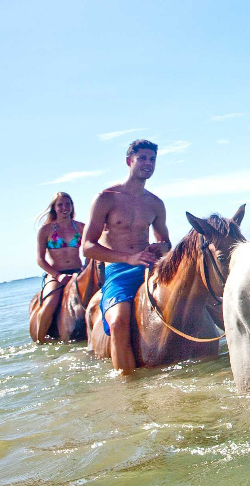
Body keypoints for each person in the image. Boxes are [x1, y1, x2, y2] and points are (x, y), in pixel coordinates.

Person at [82, 139, 170, 374]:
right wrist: (128, 258)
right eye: (142, 158)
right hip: (119, 271)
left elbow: (166, 243)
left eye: (152, 159)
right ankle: (128, 386)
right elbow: (88, 247)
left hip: (151, 267)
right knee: (119, 321)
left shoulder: (156, 203)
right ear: (129, 160)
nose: (148, 163)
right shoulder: (106, 198)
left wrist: (158, 248)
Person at [33, 192, 86, 341]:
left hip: (78, 272)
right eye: (60, 204)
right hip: (56, 274)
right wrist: (57, 275)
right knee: (50, 303)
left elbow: (92, 248)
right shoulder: (46, 230)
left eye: (68, 204)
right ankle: (40, 340)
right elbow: (40, 259)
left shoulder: (81, 227)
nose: (65, 207)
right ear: (54, 208)